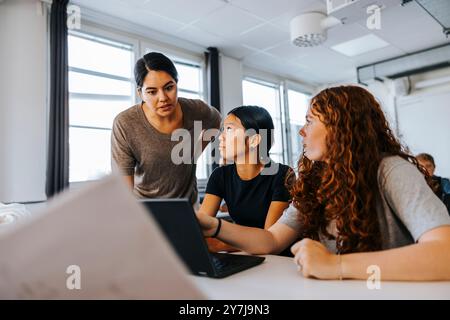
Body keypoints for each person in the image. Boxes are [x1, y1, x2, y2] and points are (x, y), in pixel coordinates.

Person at [197, 85, 450, 281]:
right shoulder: (316, 181)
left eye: (309, 121)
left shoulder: (391, 170)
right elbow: (271, 240)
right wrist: (214, 225)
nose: (301, 131)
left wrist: (335, 265)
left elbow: (445, 254)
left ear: (340, 127)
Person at [111, 52, 221, 204]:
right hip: (147, 209)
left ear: (176, 84)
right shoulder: (125, 123)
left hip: (188, 207)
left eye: (169, 87)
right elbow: (123, 189)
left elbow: (216, 121)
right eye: (152, 92)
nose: (163, 98)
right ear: (140, 93)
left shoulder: (195, 109)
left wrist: (194, 152)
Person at [198, 106, 294, 254]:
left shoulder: (283, 174)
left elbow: (269, 238)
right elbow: (202, 224)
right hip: (244, 254)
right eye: (223, 129)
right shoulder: (220, 175)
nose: (221, 136)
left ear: (254, 140)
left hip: (279, 259)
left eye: (229, 129)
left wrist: (220, 245)